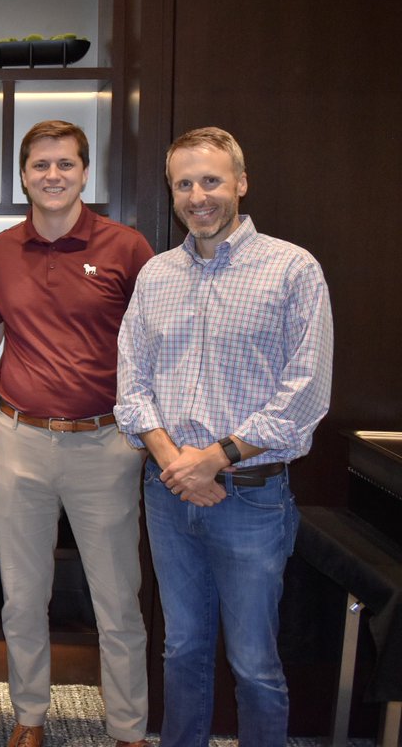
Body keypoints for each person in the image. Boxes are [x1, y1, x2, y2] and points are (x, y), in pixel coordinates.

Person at [115, 126, 333, 746]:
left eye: (210, 180)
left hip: (251, 499)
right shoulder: (156, 275)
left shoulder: (292, 269)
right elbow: (131, 383)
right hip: (167, 492)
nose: (197, 195)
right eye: (183, 183)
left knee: (254, 663)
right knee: (181, 648)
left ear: (240, 182)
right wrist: (175, 465)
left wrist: (214, 459)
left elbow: (306, 391)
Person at [0, 120, 154, 747]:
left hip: (106, 445)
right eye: (40, 165)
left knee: (117, 602)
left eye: (66, 164)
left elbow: (152, 344)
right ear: (23, 175)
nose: (53, 175)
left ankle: (128, 728)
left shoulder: (127, 248)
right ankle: (30, 718)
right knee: (22, 598)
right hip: (20, 440)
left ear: (85, 173)